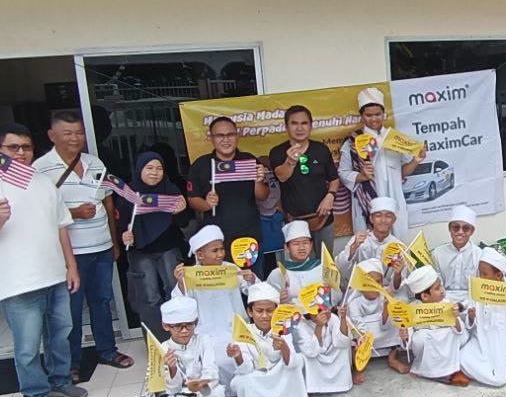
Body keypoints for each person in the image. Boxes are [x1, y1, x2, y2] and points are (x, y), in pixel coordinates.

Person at [0, 123, 88, 397]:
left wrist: (71, 266)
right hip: (17, 283)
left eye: (26, 147)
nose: (21, 153)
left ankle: (60, 380)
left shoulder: (43, 183)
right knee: (28, 347)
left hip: (55, 275)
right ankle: (36, 395)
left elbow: (61, 226)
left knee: (60, 334)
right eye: (13, 147)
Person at [33, 110, 131, 382]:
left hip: (101, 247)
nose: (75, 138)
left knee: (102, 301)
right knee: (71, 310)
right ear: (52, 135)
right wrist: (74, 213)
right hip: (70, 254)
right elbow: (38, 213)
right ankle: (72, 362)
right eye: (68, 133)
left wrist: (113, 241)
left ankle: (107, 351)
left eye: (79, 132)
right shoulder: (40, 169)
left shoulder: (94, 162)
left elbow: (108, 202)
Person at [171, 225, 257, 388]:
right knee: (214, 361)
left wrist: (251, 279)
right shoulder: (192, 275)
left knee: (245, 357)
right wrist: (181, 283)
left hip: (236, 329)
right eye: (215, 250)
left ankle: (242, 389)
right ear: (200, 255)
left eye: (221, 249)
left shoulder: (231, 268)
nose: (220, 254)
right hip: (207, 333)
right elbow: (180, 305)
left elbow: (252, 291)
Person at [338, 88, 425, 239]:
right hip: (367, 200)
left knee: (397, 244)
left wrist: (415, 161)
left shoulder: (395, 139)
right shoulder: (353, 142)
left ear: (384, 114)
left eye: (377, 114)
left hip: (394, 198)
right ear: (362, 116)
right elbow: (343, 173)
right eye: (369, 115)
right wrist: (362, 176)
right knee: (368, 244)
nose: (374, 119)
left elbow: (402, 172)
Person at [118, 151, 188, 341]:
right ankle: (156, 342)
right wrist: (124, 235)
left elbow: (183, 223)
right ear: (139, 169)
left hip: (169, 247)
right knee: (149, 298)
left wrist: (181, 211)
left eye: (159, 168)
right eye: (149, 168)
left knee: (176, 291)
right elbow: (121, 223)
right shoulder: (129, 193)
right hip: (141, 252)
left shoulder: (170, 189)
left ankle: (180, 340)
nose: (154, 172)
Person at [229, 283, 308, 397]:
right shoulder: (243, 332)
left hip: (279, 375)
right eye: (259, 311)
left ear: (276, 311)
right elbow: (245, 369)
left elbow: (294, 363)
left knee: (297, 364)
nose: (265, 316)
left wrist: (284, 347)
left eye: (270, 311)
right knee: (245, 380)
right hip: (256, 376)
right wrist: (238, 355)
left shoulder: (282, 329)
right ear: (250, 312)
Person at [155, 296, 227, 397]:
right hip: (179, 394)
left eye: (189, 325)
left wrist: (201, 384)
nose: (184, 331)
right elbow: (172, 389)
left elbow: (211, 370)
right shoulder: (164, 348)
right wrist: (172, 369)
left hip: (204, 390)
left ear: (196, 323)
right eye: (178, 326)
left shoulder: (204, 341)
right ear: (166, 326)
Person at [187, 116, 269, 253]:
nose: (226, 139)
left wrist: (258, 180)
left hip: (248, 236)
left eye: (230, 134)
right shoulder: (201, 165)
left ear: (237, 136)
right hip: (215, 241)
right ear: (211, 138)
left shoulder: (249, 160)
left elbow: (263, 196)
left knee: (252, 269)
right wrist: (207, 204)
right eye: (220, 135)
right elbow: (192, 200)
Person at [269, 105, 341, 253]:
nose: (299, 128)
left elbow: (334, 179)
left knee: (326, 262)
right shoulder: (277, 152)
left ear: (310, 126)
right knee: (298, 264)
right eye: (294, 123)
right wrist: (290, 161)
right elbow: (282, 177)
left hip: (323, 219)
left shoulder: (321, 149)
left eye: (304, 123)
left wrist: (330, 196)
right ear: (286, 127)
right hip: (293, 222)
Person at [459, 247, 506, 387]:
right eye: (480, 273)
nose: (481, 277)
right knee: (461, 358)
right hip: (480, 341)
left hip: (500, 345)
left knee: (499, 380)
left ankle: (478, 373)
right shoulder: (478, 288)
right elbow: (470, 320)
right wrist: (471, 317)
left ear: (498, 275)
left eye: (485, 274)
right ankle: (475, 371)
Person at [345, 259, 410, 381]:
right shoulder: (354, 302)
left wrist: (386, 308)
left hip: (382, 329)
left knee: (398, 323)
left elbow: (385, 324)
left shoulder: (384, 296)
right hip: (363, 334)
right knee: (351, 334)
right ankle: (359, 369)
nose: (375, 286)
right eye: (370, 282)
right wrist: (364, 337)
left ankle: (392, 359)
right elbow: (358, 325)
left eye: (378, 282)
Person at [403, 266, 469, 386]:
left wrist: (454, 318)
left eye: (441, 286)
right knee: (420, 338)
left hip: (446, 341)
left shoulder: (446, 303)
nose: (443, 290)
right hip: (427, 343)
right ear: (425, 296)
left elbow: (460, 330)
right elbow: (408, 341)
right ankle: (432, 372)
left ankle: (450, 370)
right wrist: (404, 335)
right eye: (438, 288)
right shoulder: (412, 309)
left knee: (452, 334)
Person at [335, 197, 409, 299]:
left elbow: (397, 287)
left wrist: (398, 274)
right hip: (361, 290)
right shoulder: (359, 240)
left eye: (388, 216)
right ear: (371, 218)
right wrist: (353, 248)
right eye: (378, 216)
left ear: (394, 220)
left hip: (387, 292)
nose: (383, 220)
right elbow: (339, 267)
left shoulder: (399, 247)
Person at [265, 221, 342, 309]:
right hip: (293, 316)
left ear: (311, 245)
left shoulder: (324, 268)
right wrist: (278, 301)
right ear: (286, 248)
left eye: (305, 243)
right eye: (296, 244)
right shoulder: (278, 274)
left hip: (321, 314)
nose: (301, 248)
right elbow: (266, 305)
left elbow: (338, 296)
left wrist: (330, 292)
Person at [294, 294, 355, 395]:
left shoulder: (333, 318)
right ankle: (315, 387)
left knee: (343, 348)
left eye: (325, 308)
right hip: (315, 356)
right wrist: (319, 326)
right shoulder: (300, 326)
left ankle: (342, 383)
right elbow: (311, 351)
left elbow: (343, 341)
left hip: (333, 355)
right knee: (308, 357)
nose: (324, 313)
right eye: (318, 311)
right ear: (308, 313)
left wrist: (343, 318)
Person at [432, 204, 481, 302]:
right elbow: (436, 285)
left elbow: (480, 288)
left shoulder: (480, 255)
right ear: (449, 229)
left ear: (472, 231)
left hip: (472, 300)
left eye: (466, 228)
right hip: (444, 300)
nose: (460, 232)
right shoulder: (437, 253)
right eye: (456, 227)